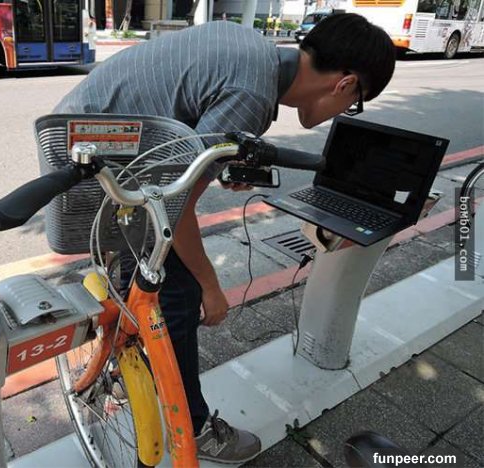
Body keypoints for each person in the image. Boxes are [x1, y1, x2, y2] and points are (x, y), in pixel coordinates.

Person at [53, 13, 395, 464]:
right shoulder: (253, 95)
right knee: (178, 293)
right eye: (354, 103)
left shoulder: (255, 52)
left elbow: (186, 128)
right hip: (96, 156)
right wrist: (211, 287)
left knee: (148, 280)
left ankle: (127, 358)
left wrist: (219, 167)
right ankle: (193, 429)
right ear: (345, 84)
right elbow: (174, 209)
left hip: (90, 135)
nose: (344, 110)